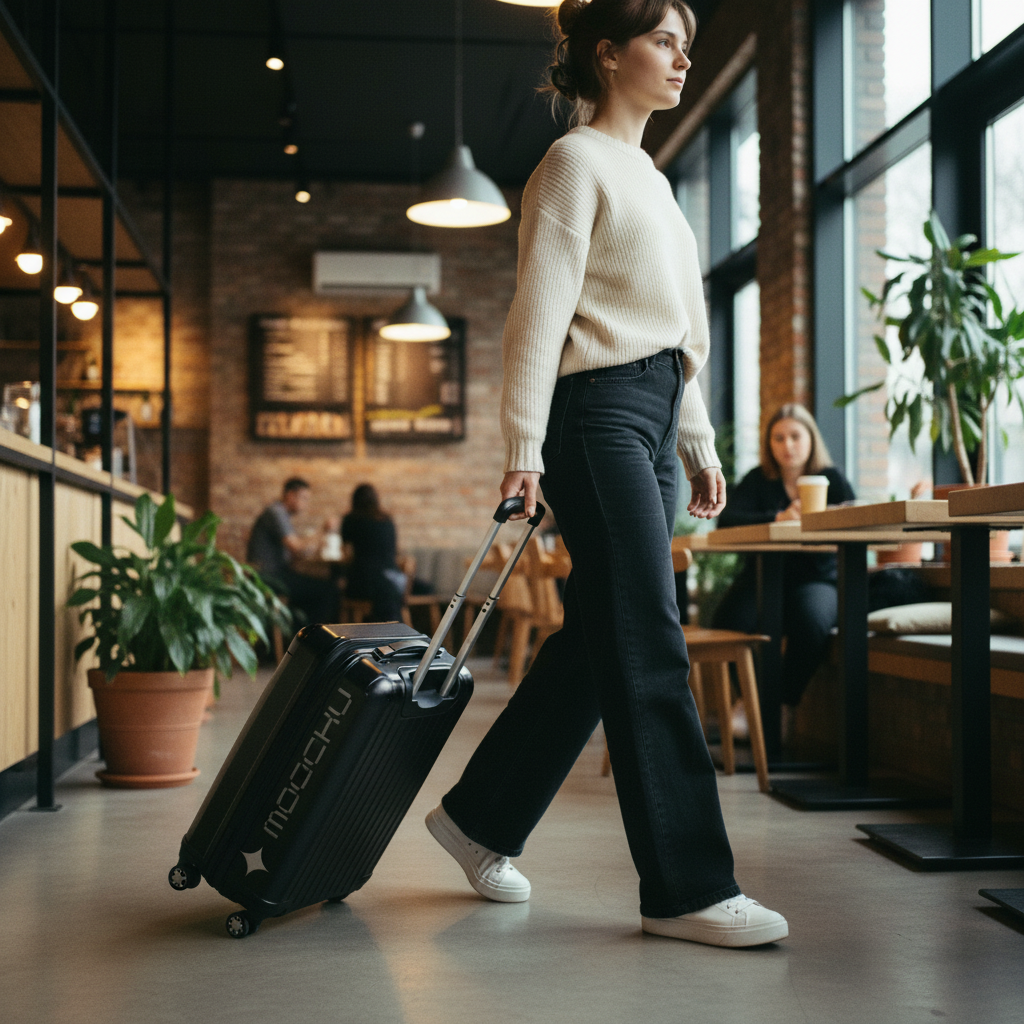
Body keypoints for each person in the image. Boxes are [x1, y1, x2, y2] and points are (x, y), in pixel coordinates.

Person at [424, 0, 788, 948]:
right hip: (594, 421)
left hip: (656, 421)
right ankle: (688, 888)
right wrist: (521, 449)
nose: (680, 60)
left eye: (686, 46)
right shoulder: (572, 164)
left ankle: (477, 819)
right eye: (664, 41)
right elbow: (537, 318)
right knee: (651, 640)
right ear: (607, 53)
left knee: (604, 637)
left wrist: (700, 443)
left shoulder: (657, 183)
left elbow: (677, 334)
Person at [712, 403, 855, 733]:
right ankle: (751, 701)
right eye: (778, 438)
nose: (787, 445)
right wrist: (778, 518)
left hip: (817, 576)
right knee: (730, 621)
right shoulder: (758, 480)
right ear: (769, 444)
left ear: (811, 440)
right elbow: (727, 520)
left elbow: (854, 519)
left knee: (812, 620)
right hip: (762, 576)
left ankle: (782, 704)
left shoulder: (832, 479)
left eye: (795, 436)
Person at [246, 477, 339, 627]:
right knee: (328, 591)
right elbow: (297, 548)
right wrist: (323, 530)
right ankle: (314, 643)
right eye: (304, 498)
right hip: (268, 577)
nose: (305, 504)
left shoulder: (281, 515)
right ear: (290, 495)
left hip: (275, 574)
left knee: (313, 590)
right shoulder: (275, 513)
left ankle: (298, 638)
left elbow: (299, 553)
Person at [339, 483, 405, 623]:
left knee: (336, 590)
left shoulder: (351, 519)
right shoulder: (387, 519)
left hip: (365, 582)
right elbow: (396, 551)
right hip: (395, 580)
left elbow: (345, 553)